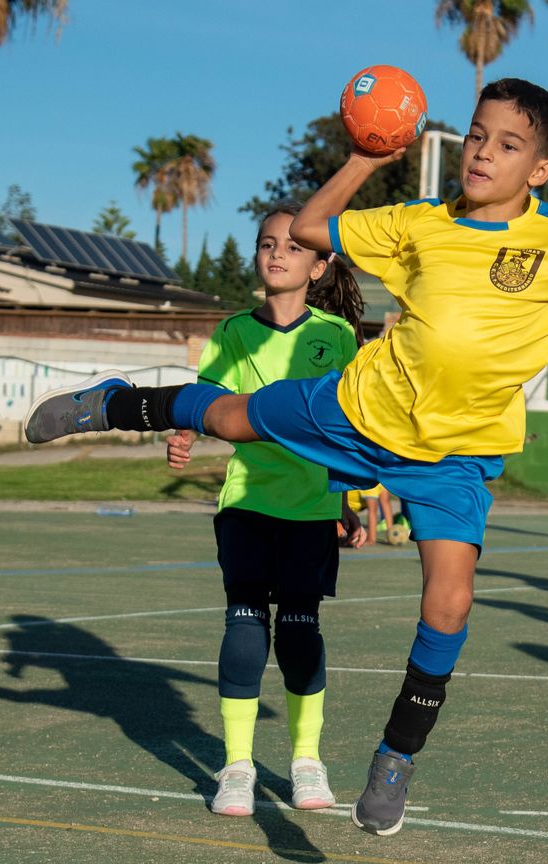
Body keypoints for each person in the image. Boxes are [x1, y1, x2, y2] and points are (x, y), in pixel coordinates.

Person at [22, 78, 548, 837]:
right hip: (358, 410)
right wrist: (366, 158)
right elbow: (309, 227)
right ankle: (112, 403)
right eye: (475, 135)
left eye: (507, 144)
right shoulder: (420, 221)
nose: (482, 152)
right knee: (230, 418)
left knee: (451, 602)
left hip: (453, 458)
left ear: (540, 171)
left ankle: (396, 756)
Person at [163, 205, 363, 816]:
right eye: (266, 244)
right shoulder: (231, 333)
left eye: (292, 247)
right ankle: (237, 767)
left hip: (310, 508)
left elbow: (350, 425)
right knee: (245, 626)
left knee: (301, 632)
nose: (277, 254)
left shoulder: (337, 336)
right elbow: (204, 401)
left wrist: (351, 500)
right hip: (247, 503)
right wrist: (184, 434)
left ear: (319, 264)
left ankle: (307, 762)